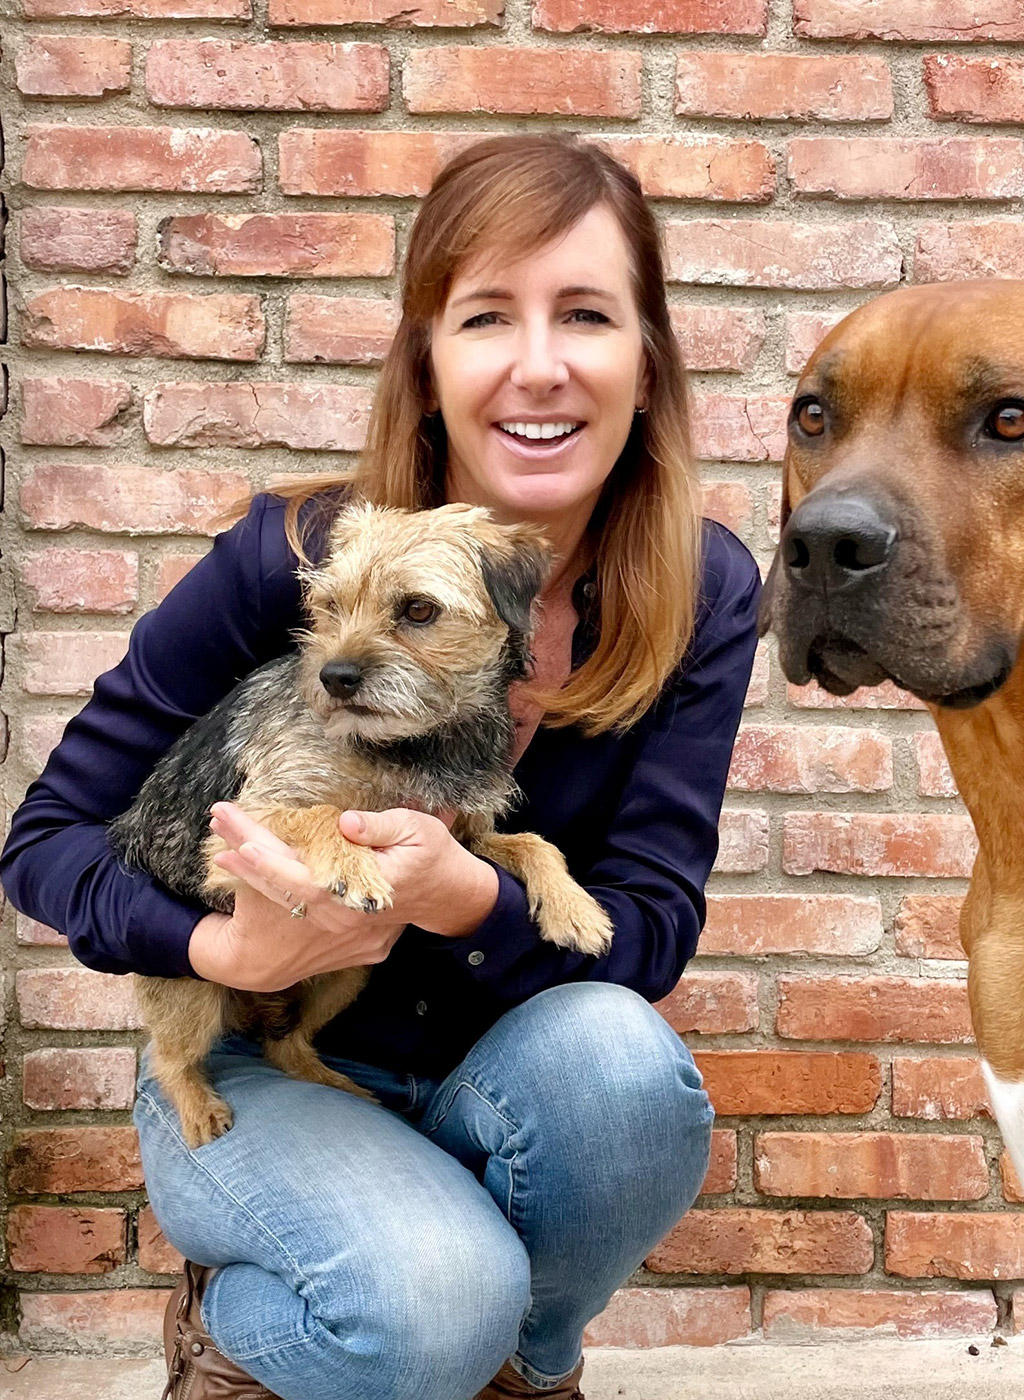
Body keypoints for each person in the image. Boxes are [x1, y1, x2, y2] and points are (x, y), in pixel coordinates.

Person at [0, 134, 760, 1400]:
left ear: (647, 361)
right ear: (424, 364)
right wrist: (218, 953)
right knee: (421, 1304)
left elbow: (651, 929)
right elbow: (45, 845)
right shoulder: (281, 557)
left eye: (584, 313)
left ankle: (512, 1357)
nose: (538, 364)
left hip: (498, 1068)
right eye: (483, 317)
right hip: (261, 1051)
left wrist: (475, 897)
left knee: (625, 1074)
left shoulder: (702, 591)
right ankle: (271, 1329)